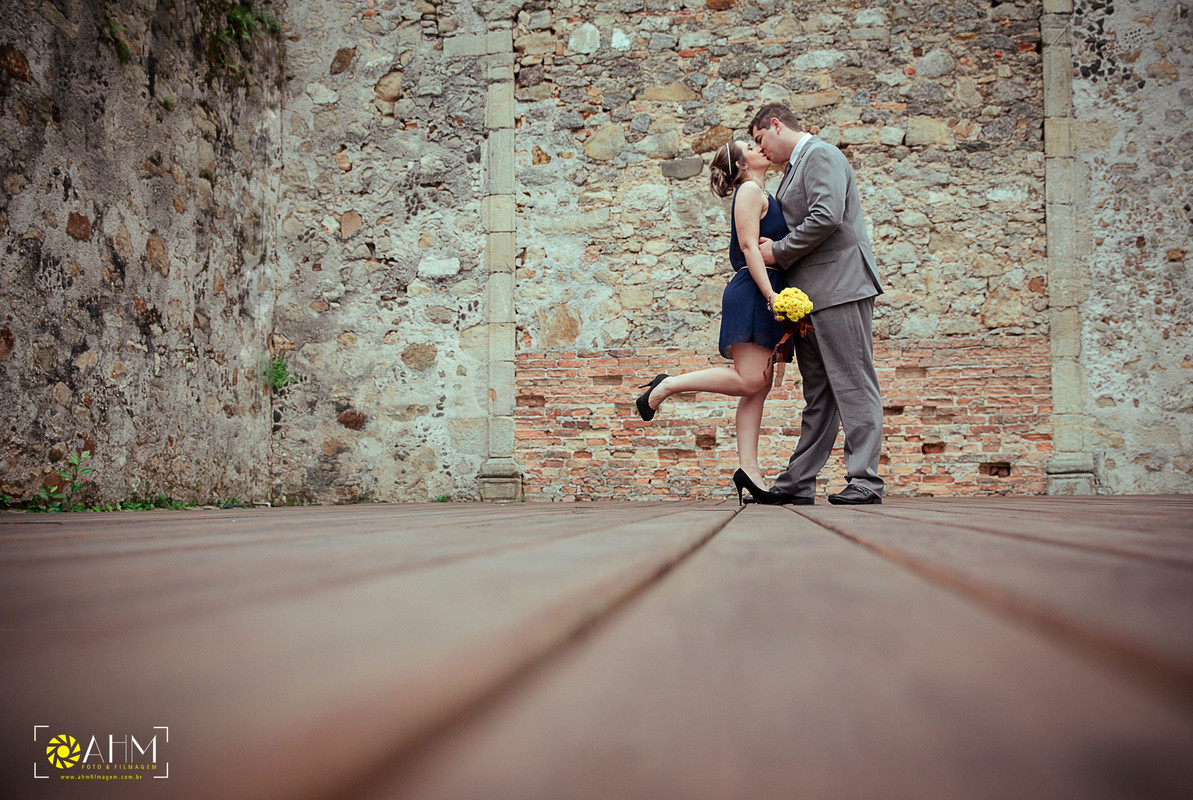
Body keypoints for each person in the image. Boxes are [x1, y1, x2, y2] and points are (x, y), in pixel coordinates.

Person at [634, 139, 793, 505]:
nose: (760, 148)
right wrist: (772, 296)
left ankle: (749, 471)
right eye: (750, 147)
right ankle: (667, 385)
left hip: (767, 287)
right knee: (750, 379)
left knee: (759, 387)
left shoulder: (759, 189)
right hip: (756, 290)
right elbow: (750, 247)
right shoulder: (750, 189)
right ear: (741, 165)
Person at [748, 102, 885, 505]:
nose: (762, 150)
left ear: (776, 125)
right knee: (820, 394)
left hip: (841, 286)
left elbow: (827, 215)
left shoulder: (821, 154)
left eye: (760, 140)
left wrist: (778, 252)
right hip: (811, 298)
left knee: (854, 383)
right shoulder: (793, 169)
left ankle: (865, 481)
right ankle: (798, 482)